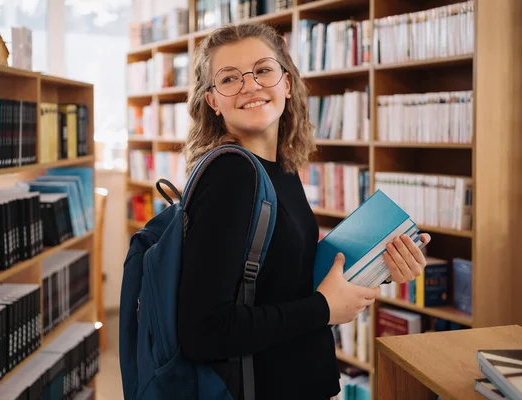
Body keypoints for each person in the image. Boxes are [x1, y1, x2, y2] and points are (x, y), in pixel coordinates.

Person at [177, 23, 431, 400]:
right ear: (213, 100)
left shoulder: (280, 166)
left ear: (287, 83)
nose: (251, 85)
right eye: (229, 78)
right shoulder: (230, 177)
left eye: (263, 70)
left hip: (302, 378)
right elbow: (203, 331)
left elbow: (286, 283)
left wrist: (380, 265)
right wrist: (324, 308)